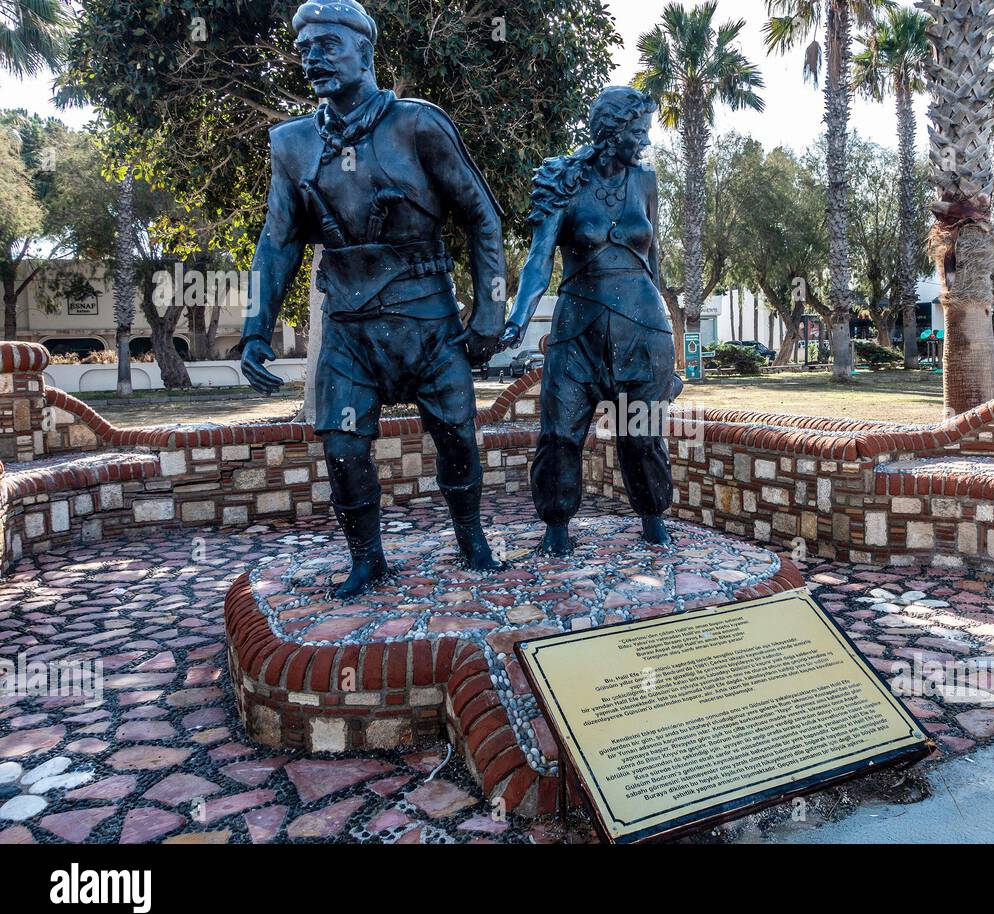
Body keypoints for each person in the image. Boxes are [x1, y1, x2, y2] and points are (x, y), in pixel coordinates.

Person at [239, 0, 505, 595]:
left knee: (457, 436)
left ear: (365, 50)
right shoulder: (292, 144)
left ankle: (470, 537)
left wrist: (488, 314)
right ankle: (367, 559)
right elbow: (277, 242)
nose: (313, 59)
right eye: (305, 49)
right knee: (342, 444)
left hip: (429, 322)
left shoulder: (418, 125)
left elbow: (482, 219)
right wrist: (256, 326)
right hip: (350, 330)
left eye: (328, 45)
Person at [500, 86, 677, 556]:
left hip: (643, 329)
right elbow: (539, 261)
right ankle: (556, 525)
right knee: (560, 433)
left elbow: (653, 261)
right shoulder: (563, 181)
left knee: (641, 433)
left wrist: (667, 349)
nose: (645, 140)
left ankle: (653, 516)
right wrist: (517, 319)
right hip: (578, 331)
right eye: (637, 131)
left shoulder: (646, 180)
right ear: (611, 131)